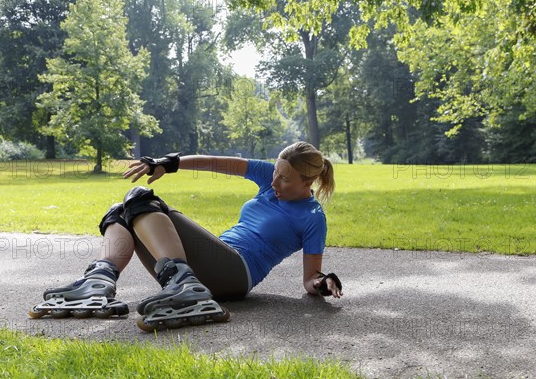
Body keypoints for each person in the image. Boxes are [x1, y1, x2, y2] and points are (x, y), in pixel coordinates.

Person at [29, 141, 343, 331]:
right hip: (212, 259)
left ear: (307, 182)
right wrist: (172, 162)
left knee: (140, 199)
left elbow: (309, 278)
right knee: (121, 209)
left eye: (285, 180)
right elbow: (214, 163)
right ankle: (98, 281)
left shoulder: (312, 217)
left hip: (236, 273)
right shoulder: (270, 177)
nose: (275, 181)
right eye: (275, 172)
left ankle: (183, 283)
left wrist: (322, 283)